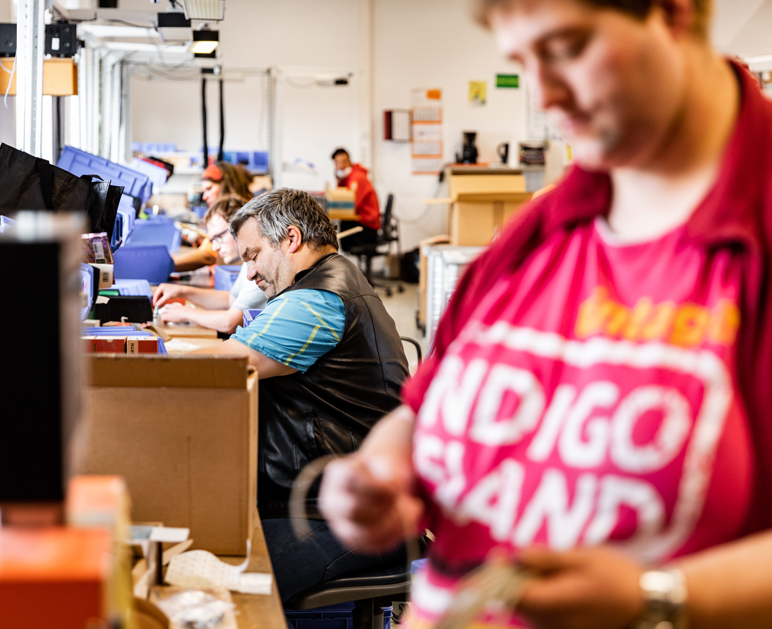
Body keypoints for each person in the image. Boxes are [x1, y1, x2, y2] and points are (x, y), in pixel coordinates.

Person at [319, 1, 772, 628]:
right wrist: (383, 470)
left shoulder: (754, 229)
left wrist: (657, 596)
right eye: (521, 60)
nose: (543, 94)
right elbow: (423, 409)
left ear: (673, 14)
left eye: (565, 48)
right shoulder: (542, 229)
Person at [202, 188, 410, 603]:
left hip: (338, 511)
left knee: (215, 592)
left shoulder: (317, 300)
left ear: (291, 239)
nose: (249, 273)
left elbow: (218, 367)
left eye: (253, 256)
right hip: (330, 493)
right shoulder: (324, 283)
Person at [154, 195, 266, 335]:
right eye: (213, 240)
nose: (215, 248)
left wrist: (185, 313)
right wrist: (181, 291)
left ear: (241, 228)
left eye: (219, 237)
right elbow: (230, 300)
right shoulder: (247, 263)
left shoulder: (260, 266)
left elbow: (230, 323)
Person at [175, 162, 253, 272]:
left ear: (226, 187)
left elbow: (208, 255)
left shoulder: (239, 214)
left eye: (209, 188)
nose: (204, 197)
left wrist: (166, 263)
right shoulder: (228, 214)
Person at [331, 148, 381, 250]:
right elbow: (342, 196)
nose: (341, 166)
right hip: (363, 223)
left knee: (338, 230)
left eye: (343, 162)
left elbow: (350, 205)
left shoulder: (357, 178)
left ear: (349, 161)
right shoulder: (349, 178)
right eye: (337, 163)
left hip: (367, 227)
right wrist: (340, 181)